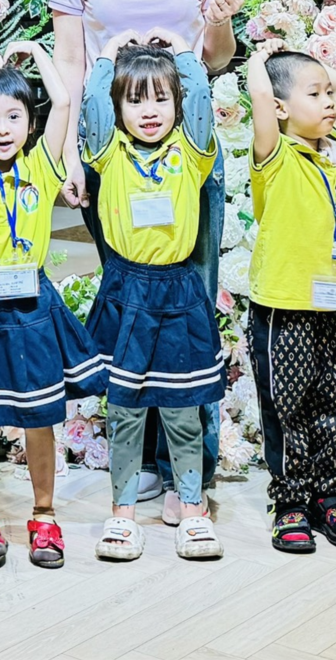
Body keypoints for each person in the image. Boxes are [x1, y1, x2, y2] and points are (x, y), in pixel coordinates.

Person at [49, 0, 241, 518]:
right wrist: (69, 153)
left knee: (192, 299)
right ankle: (141, 463)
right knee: (130, 299)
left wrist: (219, 19)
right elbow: (72, 63)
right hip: (114, 155)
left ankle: (190, 467)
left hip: (189, 152)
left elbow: (216, 57)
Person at [0, 42, 105, 571]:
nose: (3, 128)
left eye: (14, 116)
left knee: (40, 415)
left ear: (30, 123)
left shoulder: (42, 167)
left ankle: (45, 514)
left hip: (33, 303)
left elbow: (63, 100)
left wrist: (34, 51)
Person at [76, 32, 225, 564]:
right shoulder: (108, 152)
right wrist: (107, 52)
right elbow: (92, 106)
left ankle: (192, 507)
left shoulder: (191, 151)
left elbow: (201, 99)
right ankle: (122, 514)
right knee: (124, 410)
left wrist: (184, 50)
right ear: (119, 109)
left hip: (178, 290)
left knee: (183, 409)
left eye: (161, 98)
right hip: (126, 290)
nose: (149, 111)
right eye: (135, 100)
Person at [243, 43, 336, 555]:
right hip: (284, 305)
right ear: (279, 108)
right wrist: (263, 57)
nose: (329, 102)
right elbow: (261, 95)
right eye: (313, 95)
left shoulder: (332, 149)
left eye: (327, 95)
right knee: (288, 404)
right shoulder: (274, 154)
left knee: (334, 397)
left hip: (330, 304)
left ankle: (328, 496)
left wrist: (318, 75)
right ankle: (291, 502)